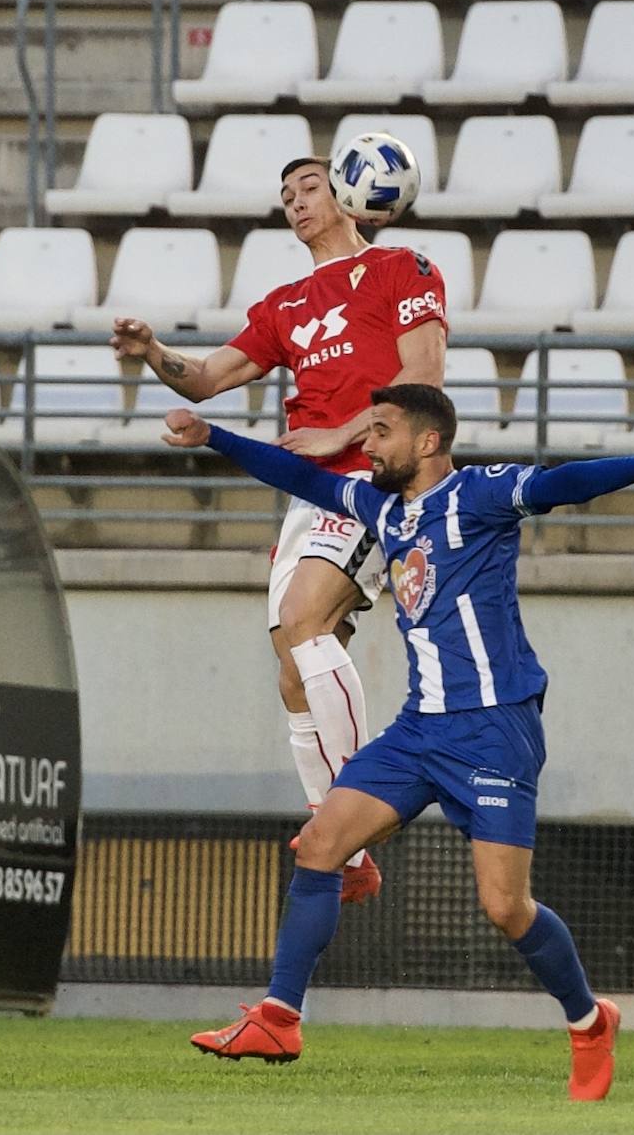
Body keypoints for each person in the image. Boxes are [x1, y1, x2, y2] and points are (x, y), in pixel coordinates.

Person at [162, 385, 634, 1101]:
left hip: (494, 729)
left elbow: (561, 483)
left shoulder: (481, 495)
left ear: (428, 442)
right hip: (419, 728)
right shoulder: (385, 509)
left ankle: (589, 1021)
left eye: (382, 432)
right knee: (320, 845)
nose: (368, 446)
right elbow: (306, 479)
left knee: (504, 908)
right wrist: (212, 433)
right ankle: (280, 1015)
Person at [110, 158, 446, 904]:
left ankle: (356, 809)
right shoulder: (285, 304)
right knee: (292, 669)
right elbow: (204, 378)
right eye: (286, 196)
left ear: (351, 193)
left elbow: (424, 382)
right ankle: (348, 853)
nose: (295, 202)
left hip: (368, 480)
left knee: (302, 622)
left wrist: (340, 435)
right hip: (307, 495)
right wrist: (154, 354)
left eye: (310, 187)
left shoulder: (402, 267)